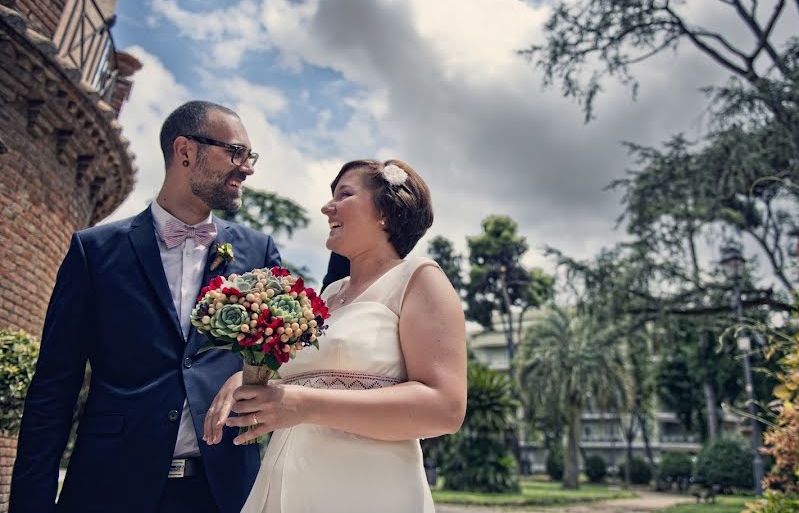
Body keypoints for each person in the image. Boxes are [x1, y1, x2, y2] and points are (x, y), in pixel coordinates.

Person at [11, 101, 290, 513]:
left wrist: (250, 379)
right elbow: (53, 389)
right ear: (185, 151)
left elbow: (289, 349)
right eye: (235, 152)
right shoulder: (94, 251)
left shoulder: (259, 252)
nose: (246, 167)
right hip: (109, 489)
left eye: (250, 156)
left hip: (223, 493)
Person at [204, 159, 467, 513]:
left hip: (365, 490)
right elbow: (299, 379)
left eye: (344, 194)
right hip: (287, 481)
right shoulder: (327, 296)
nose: (328, 207)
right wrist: (247, 377)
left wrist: (304, 404)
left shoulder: (419, 278)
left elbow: (445, 408)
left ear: (385, 212)